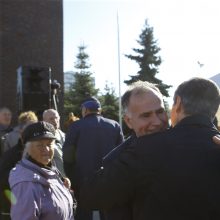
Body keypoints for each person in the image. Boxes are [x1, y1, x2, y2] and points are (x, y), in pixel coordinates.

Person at [80, 77, 220, 219]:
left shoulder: (146, 150)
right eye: (146, 115)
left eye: (160, 112)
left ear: (176, 104)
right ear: (128, 121)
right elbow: (91, 196)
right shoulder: (128, 154)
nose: (157, 122)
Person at [63, 97, 124, 220]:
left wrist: (71, 177)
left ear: (85, 110)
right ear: (99, 110)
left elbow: (68, 155)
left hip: (83, 179)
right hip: (108, 178)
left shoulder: (76, 126)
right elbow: (122, 153)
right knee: (109, 213)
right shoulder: (114, 125)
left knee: (83, 213)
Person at [9, 121, 74, 220]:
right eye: (40, 145)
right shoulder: (26, 184)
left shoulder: (48, 169)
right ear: (27, 148)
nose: (47, 149)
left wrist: (62, 189)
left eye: (49, 144)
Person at [0, 114, 37, 220]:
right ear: (21, 132)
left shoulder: (41, 153)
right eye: (29, 130)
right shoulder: (10, 155)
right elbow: (3, 179)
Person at [43, 109, 66, 176]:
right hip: (52, 178)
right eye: (51, 119)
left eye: (56, 118)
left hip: (68, 178)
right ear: (44, 121)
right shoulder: (42, 139)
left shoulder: (64, 135)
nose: (55, 121)